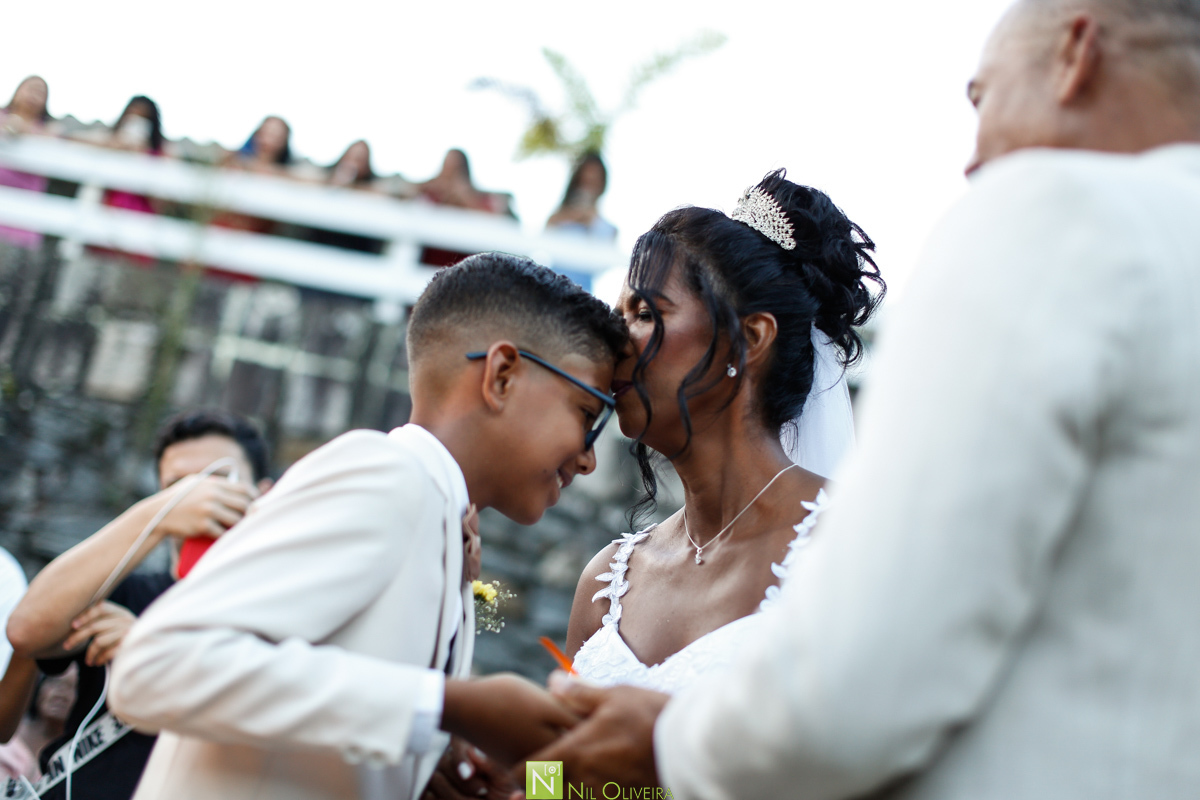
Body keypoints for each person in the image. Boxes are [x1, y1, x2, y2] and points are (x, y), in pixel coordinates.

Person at [526, 1, 1200, 798]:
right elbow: (552, 776)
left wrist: (667, 749)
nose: (973, 163)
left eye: (980, 100)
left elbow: (871, 692)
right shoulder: (610, 574)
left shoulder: (1056, 216)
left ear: (1075, 53)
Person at [106, 253, 628, 800]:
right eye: (587, 415)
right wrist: (450, 706)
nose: (589, 459)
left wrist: (429, 758)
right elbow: (154, 664)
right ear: (501, 376)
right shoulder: (388, 475)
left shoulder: (446, 527)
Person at [565, 169, 881, 696]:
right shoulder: (606, 582)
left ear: (750, 339)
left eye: (645, 312)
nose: (615, 340)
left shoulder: (848, 549)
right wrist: (506, 775)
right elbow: (548, 774)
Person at [5, 410, 270, 800]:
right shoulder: (128, 591)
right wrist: (156, 515)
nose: (197, 497)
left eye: (217, 480)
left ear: (264, 492)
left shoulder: (289, 608)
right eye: (175, 486)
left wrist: (148, 648)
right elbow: (25, 631)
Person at [418, 149, 515, 268]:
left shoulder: (478, 198)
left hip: (464, 265)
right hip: (429, 261)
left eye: (456, 169)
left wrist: (466, 198)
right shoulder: (430, 193)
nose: (451, 174)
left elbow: (494, 221)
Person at [545, 152, 617, 291]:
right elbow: (544, 240)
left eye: (594, 182)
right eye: (584, 180)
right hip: (551, 289)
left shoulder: (607, 228)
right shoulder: (557, 219)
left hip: (582, 294)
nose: (588, 186)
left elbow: (601, 265)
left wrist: (592, 222)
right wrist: (571, 216)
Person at [0, 76, 54, 251]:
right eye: (30, 88)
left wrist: (20, 128)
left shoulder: (49, 131)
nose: (34, 95)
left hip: (22, 220)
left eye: (40, 92)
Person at [0, 665, 77, 784]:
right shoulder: (5, 728)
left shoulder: (76, 750)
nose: (61, 693)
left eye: (73, 688)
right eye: (54, 682)